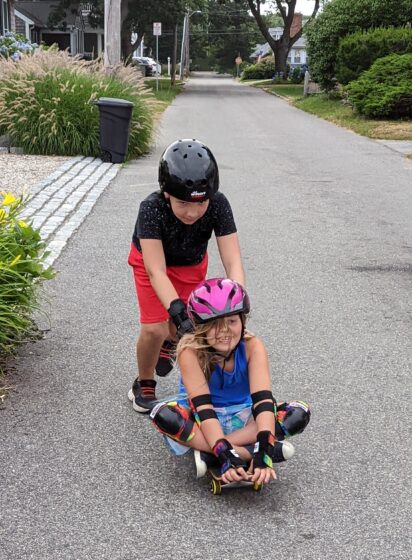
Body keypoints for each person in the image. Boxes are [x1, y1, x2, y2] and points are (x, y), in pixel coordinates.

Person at [150, 278, 311, 484]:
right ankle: (244, 452)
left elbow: (262, 403)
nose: (225, 331)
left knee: (299, 412)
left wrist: (263, 452)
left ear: (243, 321)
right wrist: (226, 454)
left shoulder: (253, 345)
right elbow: (204, 409)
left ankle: (209, 452)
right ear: (200, 327)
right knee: (161, 414)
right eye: (214, 325)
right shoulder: (189, 351)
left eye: (232, 321)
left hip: (243, 419)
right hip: (203, 420)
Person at [128, 139, 245, 413]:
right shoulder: (151, 208)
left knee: (192, 325)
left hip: (191, 265)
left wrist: (236, 302)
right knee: (156, 326)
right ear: (166, 193)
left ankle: (171, 343)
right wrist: (176, 311)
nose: (192, 212)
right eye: (182, 203)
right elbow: (156, 271)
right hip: (152, 264)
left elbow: (233, 259)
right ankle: (144, 382)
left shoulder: (218, 205)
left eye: (201, 203)